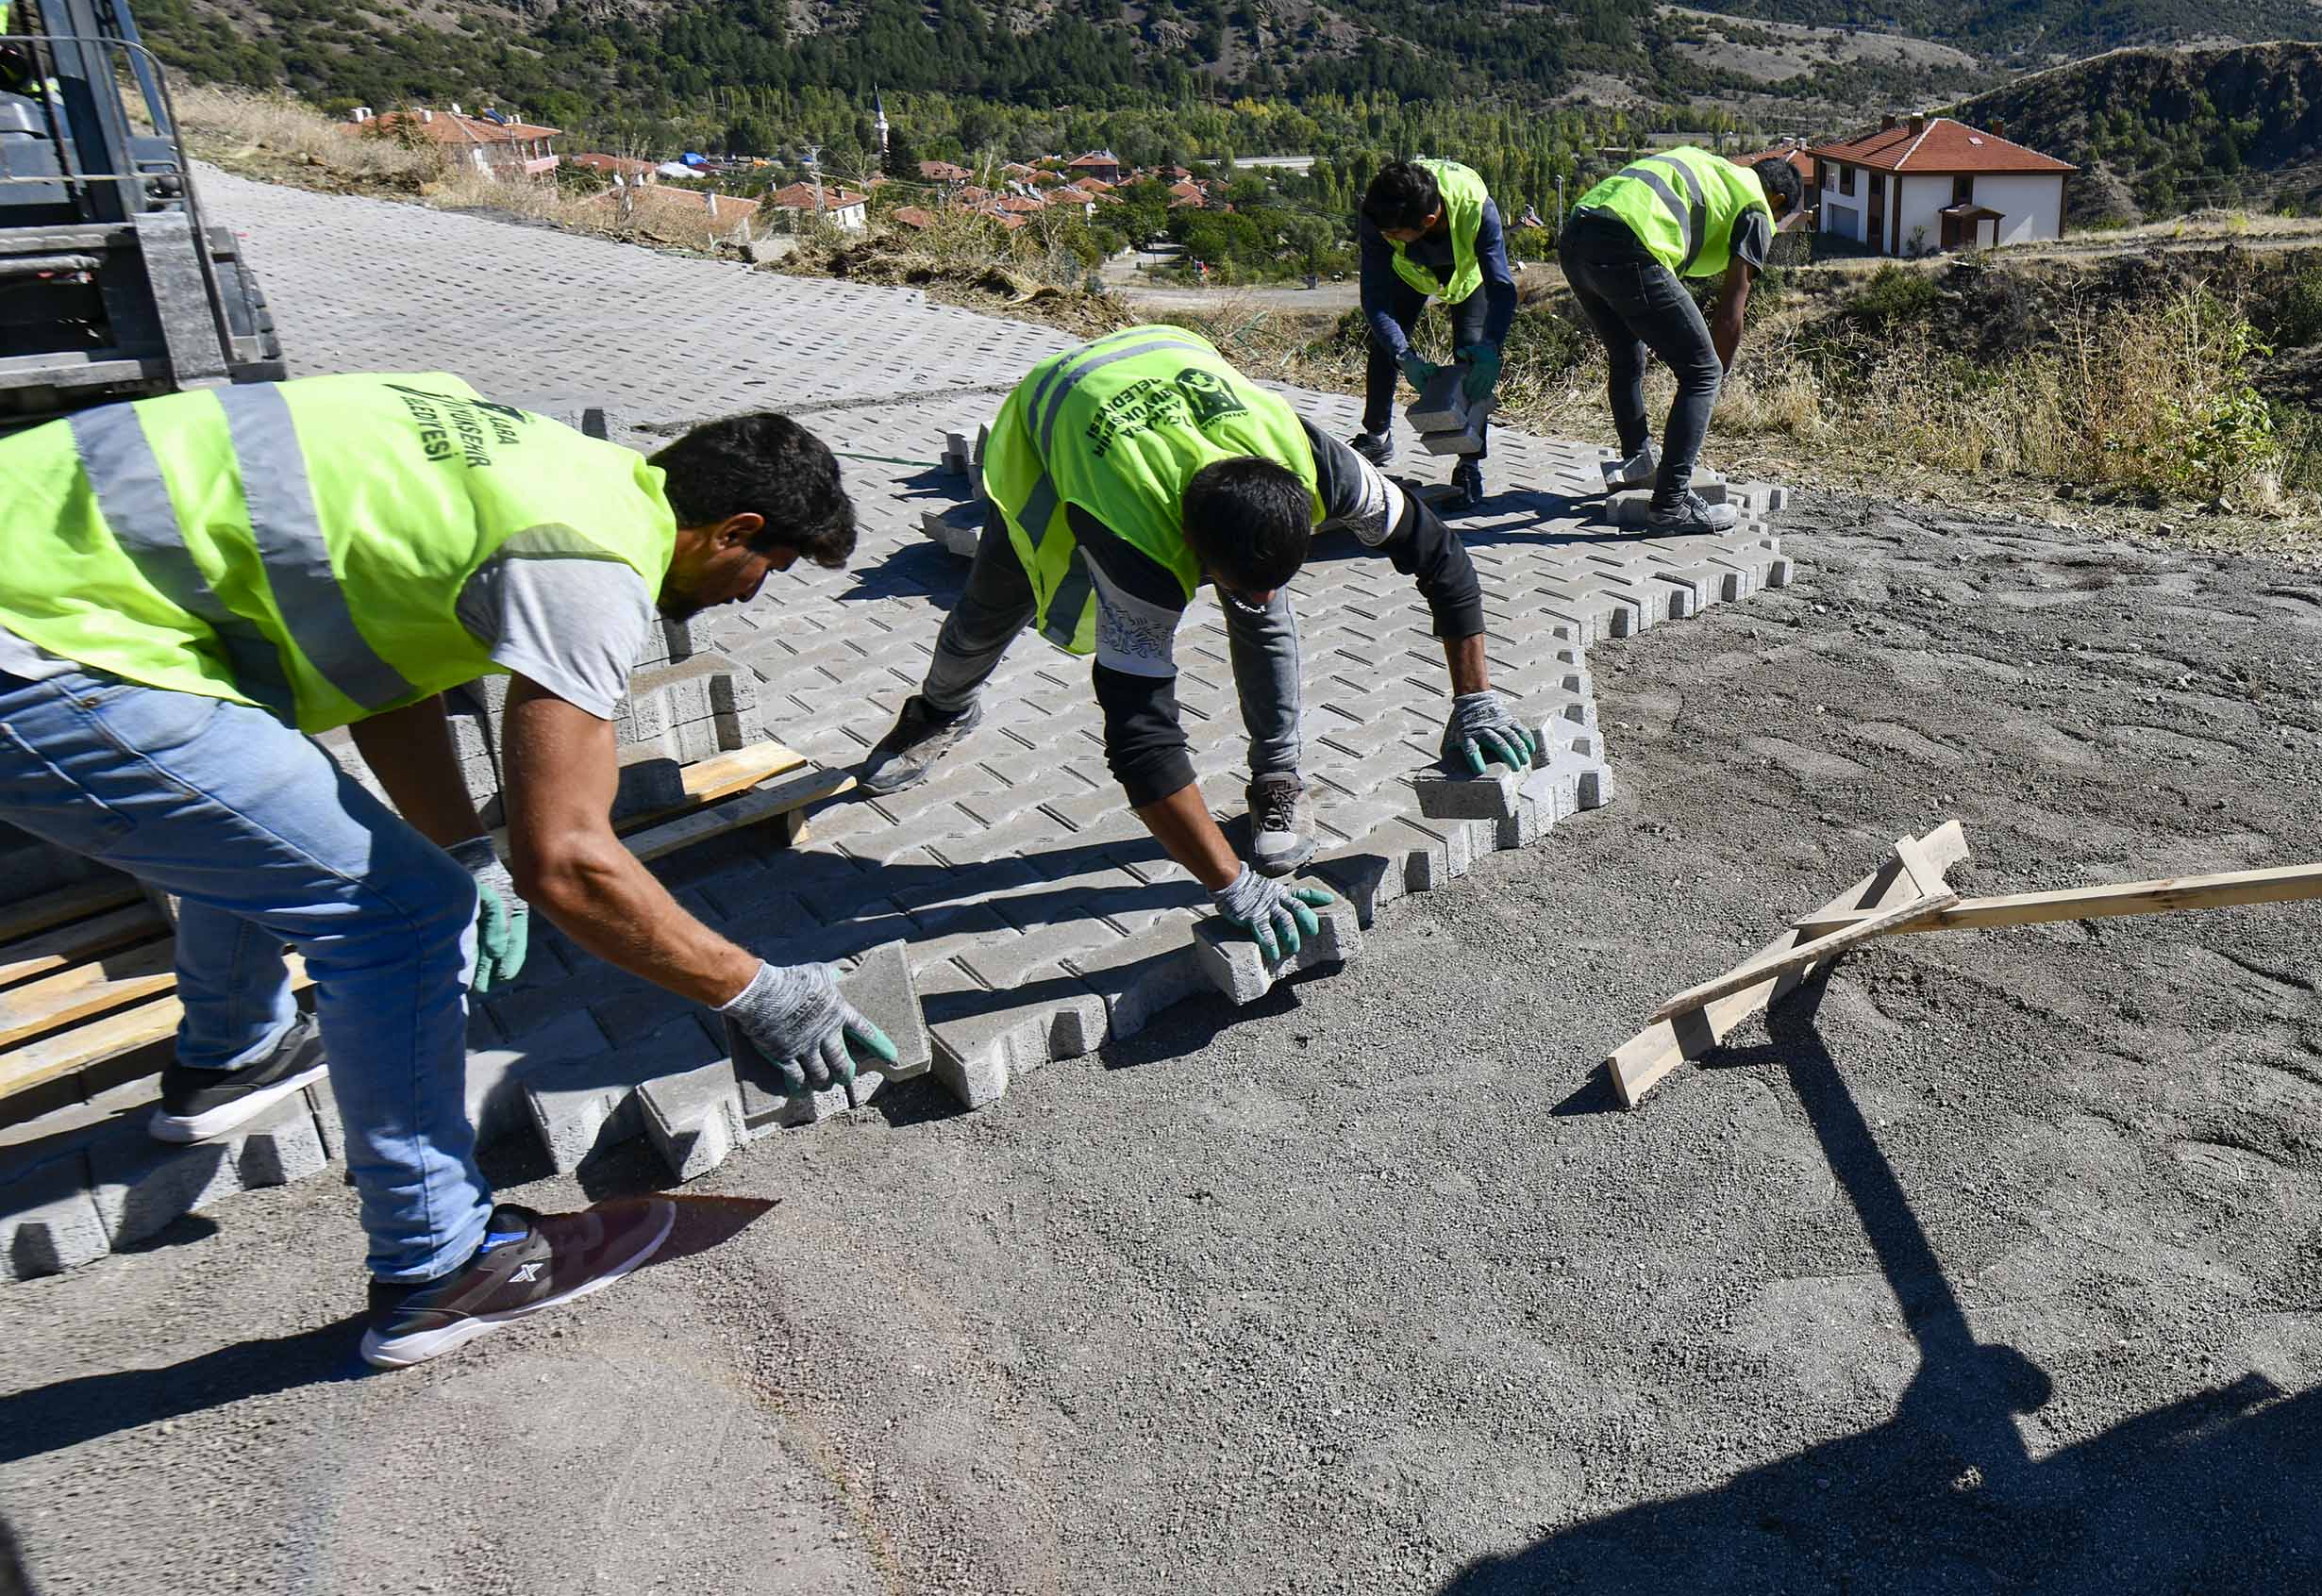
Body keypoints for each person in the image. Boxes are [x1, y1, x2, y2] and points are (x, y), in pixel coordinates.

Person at [0, 379, 888, 1368]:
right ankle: (440, 1265)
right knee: (403, 919)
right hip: (47, 648)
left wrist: (468, 850)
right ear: (732, 529)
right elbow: (571, 863)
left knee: (274, 825)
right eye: (767, 567)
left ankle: (232, 1058)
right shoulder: (587, 566)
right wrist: (760, 993)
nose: (753, 594)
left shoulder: (524, 461)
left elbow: (381, 676)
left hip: (56, 572)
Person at [853, 325, 1539, 956]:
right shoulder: (1140, 550)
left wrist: (1475, 697)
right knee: (988, 607)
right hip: (1058, 414)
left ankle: (1277, 775)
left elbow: (1441, 556)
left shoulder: (1318, 464)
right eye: (1234, 581)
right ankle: (940, 710)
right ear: (1187, 554)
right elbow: (1141, 740)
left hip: (1171, 359)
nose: (1266, 595)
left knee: (1262, 611)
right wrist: (1231, 884)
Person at [1556, 146, 1807, 536]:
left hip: (1576, 236)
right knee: (1702, 370)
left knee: (1626, 352)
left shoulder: (1716, 171)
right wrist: (1713, 381)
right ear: (1777, 200)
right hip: (1628, 244)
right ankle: (1671, 503)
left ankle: (1639, 462)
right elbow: (1730, 311)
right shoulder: (1757, 208)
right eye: (1780, 217)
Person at [1354, 156, 1519, 514]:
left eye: (1394, 234)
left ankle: (1469, 464)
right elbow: (1375, 301)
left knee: (1471, 354)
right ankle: (1377, 436)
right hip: (1410, 273)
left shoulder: (1477, 207)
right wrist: (1404, 356)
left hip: (1466, 277)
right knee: (1386, 342)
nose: (1386, 237)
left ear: (1428, 221)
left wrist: (1492, 346)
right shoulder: (1379, 214)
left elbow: (1502, 288)